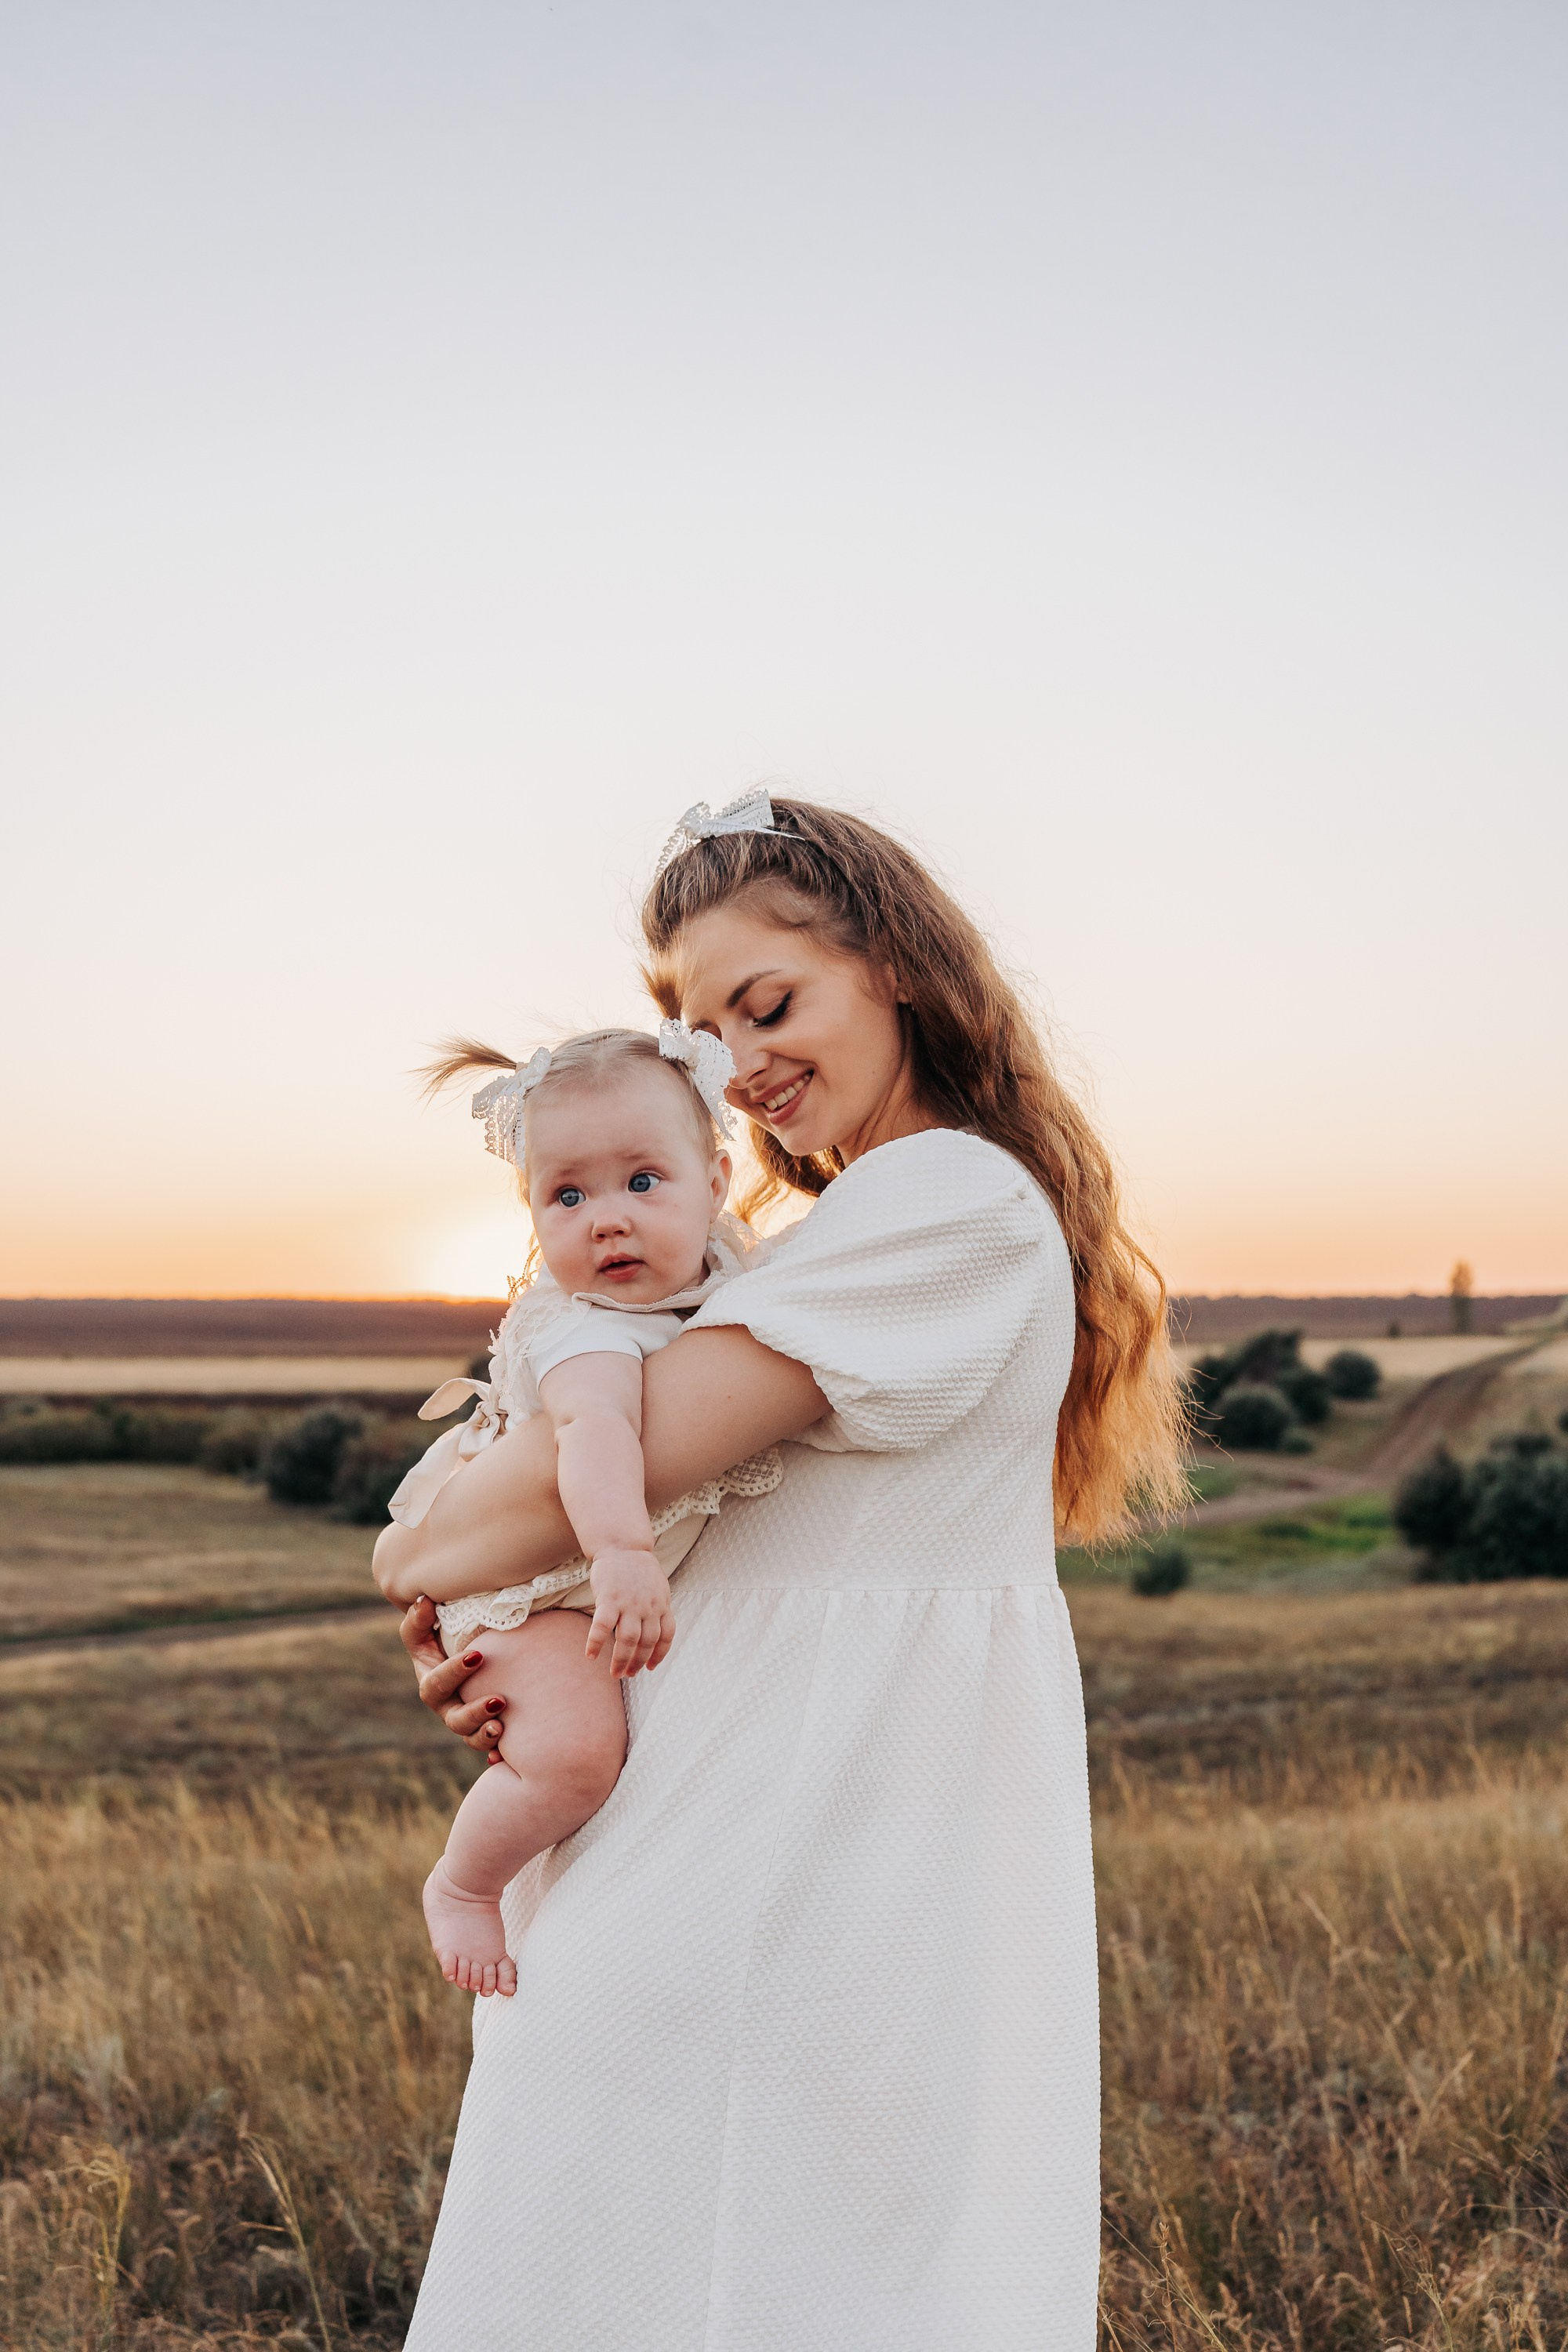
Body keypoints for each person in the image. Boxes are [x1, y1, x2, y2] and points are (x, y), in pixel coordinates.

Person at [382, 791, 1189, 2351]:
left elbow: (536, 1501)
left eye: (771, 1002)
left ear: (898, 968)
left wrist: (414, 1558)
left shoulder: (939, 1201)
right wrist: (510, 1641)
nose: (739, 1060)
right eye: (697, 1029)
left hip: (775, 1883)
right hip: (728, 1863)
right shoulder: (817, 1237)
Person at [375, 1021, 779, 1999]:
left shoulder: (732, 1282)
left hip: (560, 1567)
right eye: (567, 1195)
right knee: (571, 1759)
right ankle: (465, 1885)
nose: (606, 1219)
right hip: (536, 1591)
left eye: (643, 1182)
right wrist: (622, 1554)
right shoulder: (589, 1330)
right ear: (531, 1213)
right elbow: (595, 1437)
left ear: (716, 1183)